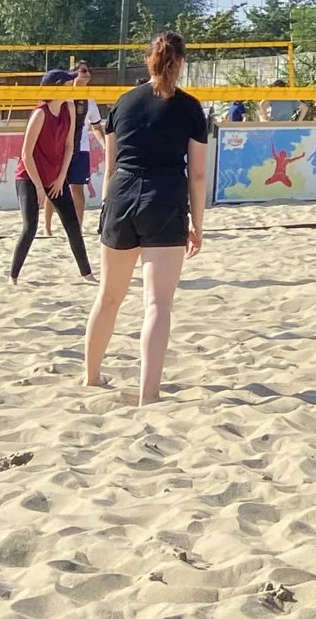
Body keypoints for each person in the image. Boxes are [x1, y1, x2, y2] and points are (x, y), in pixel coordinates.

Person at [85, 31, 209, 406]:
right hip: (164, 196)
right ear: (181, 62)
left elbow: (109, 167)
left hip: (122, 194)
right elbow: (199, 174)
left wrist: (108, 212)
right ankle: (148, 394)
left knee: (108, 297)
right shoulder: (189, 107)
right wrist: (197, 224)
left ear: (149, 60)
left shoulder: (123, 102)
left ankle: (91, 377)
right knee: (157, 305)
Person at [11, 71, 95, 286]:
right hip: (29, 177)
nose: (72, 85)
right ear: (56, 87)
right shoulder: (40, 113)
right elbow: (26, 154)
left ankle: (87, 274)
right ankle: (14, 277)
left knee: (72, 225)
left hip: (55, 177)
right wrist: (39, 187)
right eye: (68, 83)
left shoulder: (69, 108)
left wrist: (60, 178)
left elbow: (69, 146)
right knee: (30, 226)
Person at [49, 62, 109, 235]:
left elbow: (96, 126)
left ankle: (77, 228)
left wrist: (104, 145)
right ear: (73, 73)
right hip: (59, 147)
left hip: (80, 148)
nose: (87, 73)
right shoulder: (63, 96)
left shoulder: (90, 100)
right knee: (53, 187)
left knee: (78, 188)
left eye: (90, 70)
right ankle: (48, 228)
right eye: (83, 70)